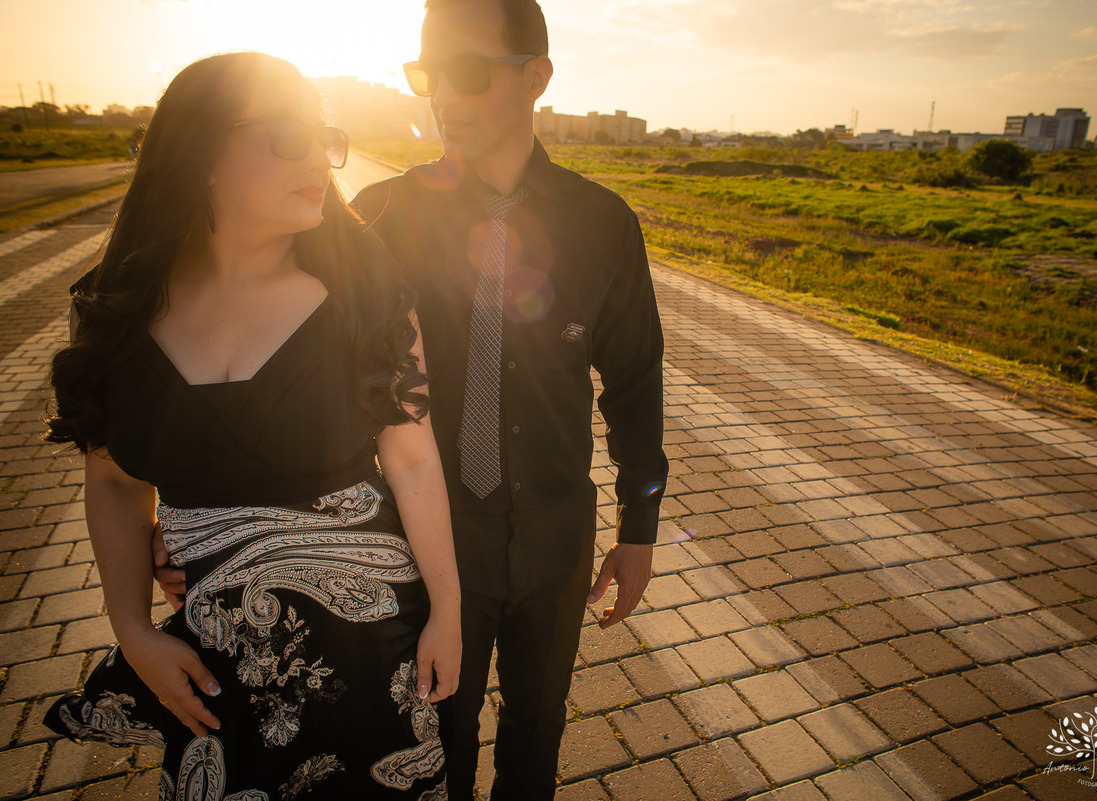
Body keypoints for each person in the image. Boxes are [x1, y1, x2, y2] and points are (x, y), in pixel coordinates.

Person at [43, 52, 460, 799]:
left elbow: (414, 462)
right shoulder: (116, 309)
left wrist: (448, 613)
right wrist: (132, 631)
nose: (319, 158)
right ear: (201, 151)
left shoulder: (367, 296)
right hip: (211, 676)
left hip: (372, 667)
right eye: (289, 131)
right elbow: (110, 479)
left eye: (323, 133)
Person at [355, 1, 668, 797]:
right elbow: (309, 386)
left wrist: (639, 530)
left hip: (555, 541)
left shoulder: (601, 224)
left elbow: (634, 381)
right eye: (427, 73)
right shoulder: (382, 220)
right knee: (436, 743)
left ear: (538, 79)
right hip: (426, 543)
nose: (442, 96)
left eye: (466, 71)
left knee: (537, 736)